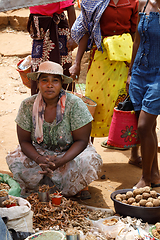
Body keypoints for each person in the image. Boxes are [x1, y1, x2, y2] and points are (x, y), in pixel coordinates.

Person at [6, 61, 102, 199]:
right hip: (40, 153)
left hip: (69, 154)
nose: (49, 85)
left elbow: (82, 141)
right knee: (16, 159)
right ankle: (51, 184)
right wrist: (39, 159)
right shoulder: (27, 105)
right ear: (38, 83)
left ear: (61, 83)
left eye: (55, 81)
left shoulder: (75, 104)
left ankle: (76, 187)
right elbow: (24, 141)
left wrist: (60, 161)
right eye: (44, 80)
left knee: (89, 160)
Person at [69, 0, 142, 168]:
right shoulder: (93, 1)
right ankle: (88, 154)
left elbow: (135, 34)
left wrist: (133, 66)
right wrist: (77, 62)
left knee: (127, 104)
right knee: (94, 105)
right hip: (101, 58)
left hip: (124, 61)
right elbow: (87, 31)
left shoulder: (133, 2)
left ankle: (134, 154)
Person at [126, 0, 160, 188]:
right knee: (149, 127)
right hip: (139, 73)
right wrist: (131, 72)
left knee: (144, 127)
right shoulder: (144, 4)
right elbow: (137, 41)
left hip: (158, 76)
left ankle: (145, 179)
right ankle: (154, 174)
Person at [27, 1, 77, 95]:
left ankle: (65, 105)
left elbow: (70, 7)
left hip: (58, 28)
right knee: (38, 68)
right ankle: (39, 105)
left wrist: (74, 37)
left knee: (63, 67)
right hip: (39, 27)